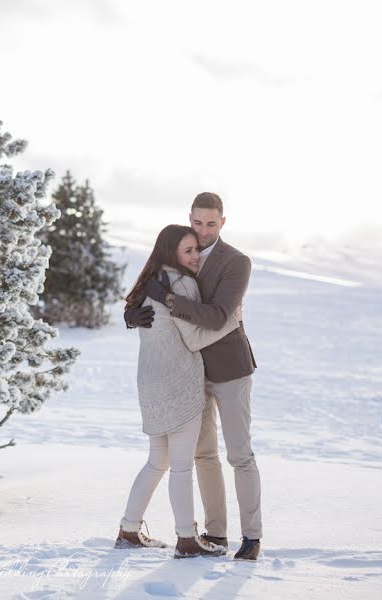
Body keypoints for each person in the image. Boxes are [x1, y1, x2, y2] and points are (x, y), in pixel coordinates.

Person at [125, 193, 262, 561]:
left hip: (230, 369)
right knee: (204, 456)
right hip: (192, 374)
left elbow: (218, 316)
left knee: (240, 455)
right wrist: (131, 316)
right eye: (198, 223)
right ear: (190, 218)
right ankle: (216, 533)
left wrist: (169, 301)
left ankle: (252, 537)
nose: (203, 232)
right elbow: (145, 295)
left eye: (211, 224)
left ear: (223, 222)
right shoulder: (181, 251)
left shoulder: (236, 262)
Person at [114, 224, 237, 559]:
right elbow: (194, 339)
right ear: (172, 253)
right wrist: (231, 320)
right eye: (188, 251)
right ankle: (186, 538)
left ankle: (128, 529)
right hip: (179, 384)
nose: (195, 257)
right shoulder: (181, 284)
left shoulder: (149, 282)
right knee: (181, 465)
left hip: (150, 384)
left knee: (158, 460)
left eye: (196, 250)